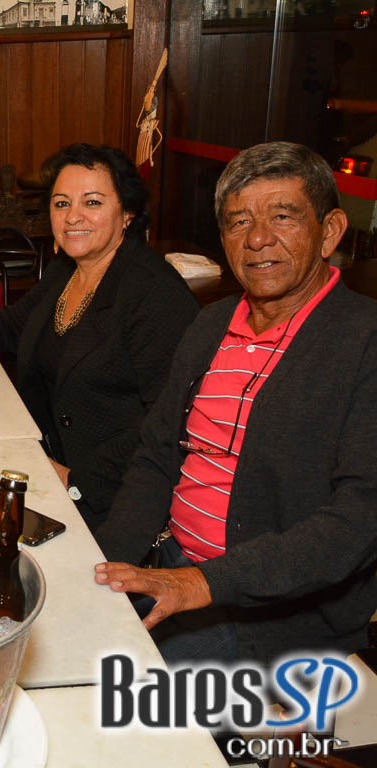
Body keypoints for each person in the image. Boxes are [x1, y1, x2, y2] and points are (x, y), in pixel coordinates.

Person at [94, 141, 377, 666]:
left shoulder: (364, 340)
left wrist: (203, 582)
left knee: (111, 696)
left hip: (278, 614)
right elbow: (156, 458)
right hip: (173, 565)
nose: (258, 238)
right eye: (238, 221)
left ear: (330, 232)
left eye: (283, 216)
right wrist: (107, 566)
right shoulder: (211, 324)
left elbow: (358, 520)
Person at [0, 144, 200, 529]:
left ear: (127, 213)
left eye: (92, 202)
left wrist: (74, 480)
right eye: (61, 204)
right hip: (46, 464)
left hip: (114, 497)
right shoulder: (67, 269)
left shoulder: (154, 294)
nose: (73, 217)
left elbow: (168, 422)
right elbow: (12, 324)